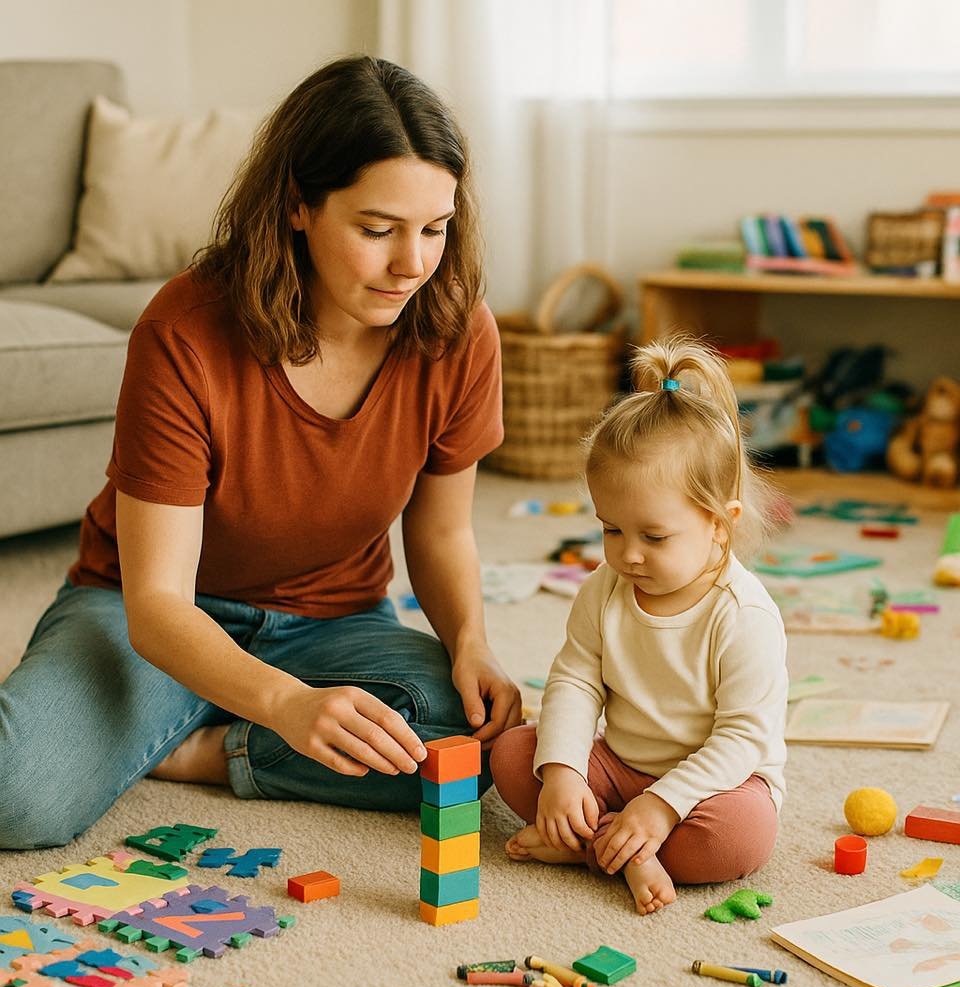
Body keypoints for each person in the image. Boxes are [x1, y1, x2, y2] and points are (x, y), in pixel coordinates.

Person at [0, 55, 521, 851]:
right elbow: (158, 604)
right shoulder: (184, 332)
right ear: (296, 206)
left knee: (475, 742)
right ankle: (206, 718)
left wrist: (471, 642)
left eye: (434, 228)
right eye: (377, 229)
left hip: (332, 621)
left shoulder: (456, 327)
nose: (413, 264)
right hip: (157, 617)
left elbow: (443, 531)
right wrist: (284, 705)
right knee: (18, 794)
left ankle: (202, 750)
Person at [490, 338, 787, 914]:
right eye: (611, 529)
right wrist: (564, 773)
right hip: (620, 766)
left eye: (654, 536)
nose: (628, 555)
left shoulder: (743, 615)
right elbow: (576, 681)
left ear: (720, 524)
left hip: (714, 787)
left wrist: (660, 807)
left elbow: (742, 739)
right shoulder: (605, 588)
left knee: (739, 837)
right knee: (514, 754)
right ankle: (621, 846)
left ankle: (595, 846)